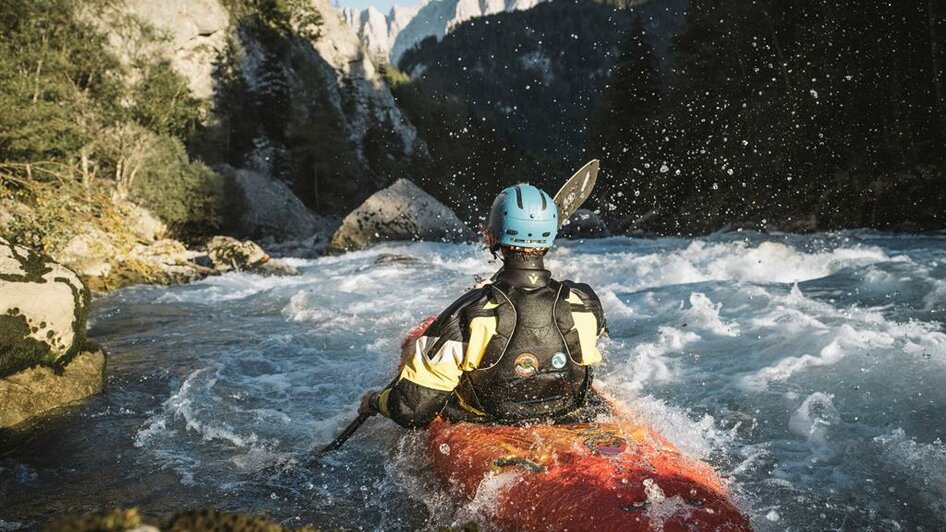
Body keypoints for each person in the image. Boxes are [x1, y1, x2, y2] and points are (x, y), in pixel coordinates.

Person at [359, 184, 608, 427]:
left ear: (492, 237)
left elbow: (412, 411)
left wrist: (375, 402)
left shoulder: (467, 313)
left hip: (488, 419)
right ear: (549, 239)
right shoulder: (586, 301)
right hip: (566, 409)